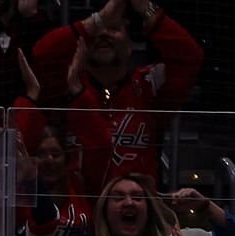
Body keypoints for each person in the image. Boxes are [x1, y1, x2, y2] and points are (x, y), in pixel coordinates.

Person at [29, 0, 201, 196]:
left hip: (136, 209)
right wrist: (98, 20)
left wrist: (146, 9)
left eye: (113, 28)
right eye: (98, 29)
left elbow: (190, 56)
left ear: (129, 45)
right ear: (82, 44)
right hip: (78, 212)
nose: (103, 34)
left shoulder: (149, 85)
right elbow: (41, 54)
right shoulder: (67, 84)